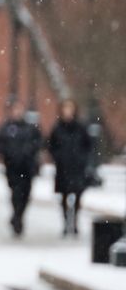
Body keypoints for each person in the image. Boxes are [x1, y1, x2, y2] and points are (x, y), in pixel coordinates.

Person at [0, 99, 43, 237]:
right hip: (12, 167)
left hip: (27, 167)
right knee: (15, 193)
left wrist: (30, 151)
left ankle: (18, 215)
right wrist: (8, 153)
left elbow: (39, 142)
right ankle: (17, 216)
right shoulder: (6, 128)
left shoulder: (31, 128)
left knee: (26, 194)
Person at [48, 98, 94, 237]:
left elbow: (88, 146)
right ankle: (65, 223)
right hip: (63, 168)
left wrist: (82, 159)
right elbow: (51, 145)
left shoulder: (81, 128)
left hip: (77, 168)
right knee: (64, 197)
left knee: (77, 196)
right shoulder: (57, 128)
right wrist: (58, 157)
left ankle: (74, 223)